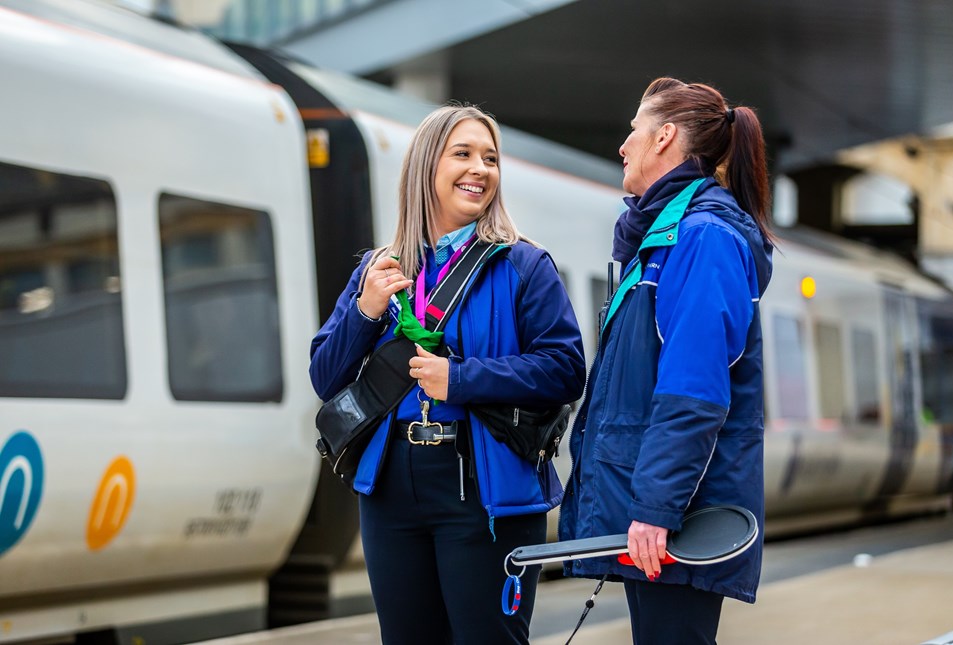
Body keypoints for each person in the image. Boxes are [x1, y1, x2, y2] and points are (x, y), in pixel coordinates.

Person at [309, 105, 586, 645]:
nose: (480, 168)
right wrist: (365, 309)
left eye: (490, 158)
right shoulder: (380, 269)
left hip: (484, 492)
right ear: (424, 168)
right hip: (391, 489)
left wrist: (459, 379)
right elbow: (325, 376)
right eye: (462, 154)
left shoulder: (524, 266)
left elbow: (565, 368)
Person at [558, 78, 775, 645]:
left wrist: (655, 508)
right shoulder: (664, 240)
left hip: (676, 518)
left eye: (634, 131)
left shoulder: (702, 239)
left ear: (665, 137)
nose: (624, 146)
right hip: (660, 511)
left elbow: (694, 392)